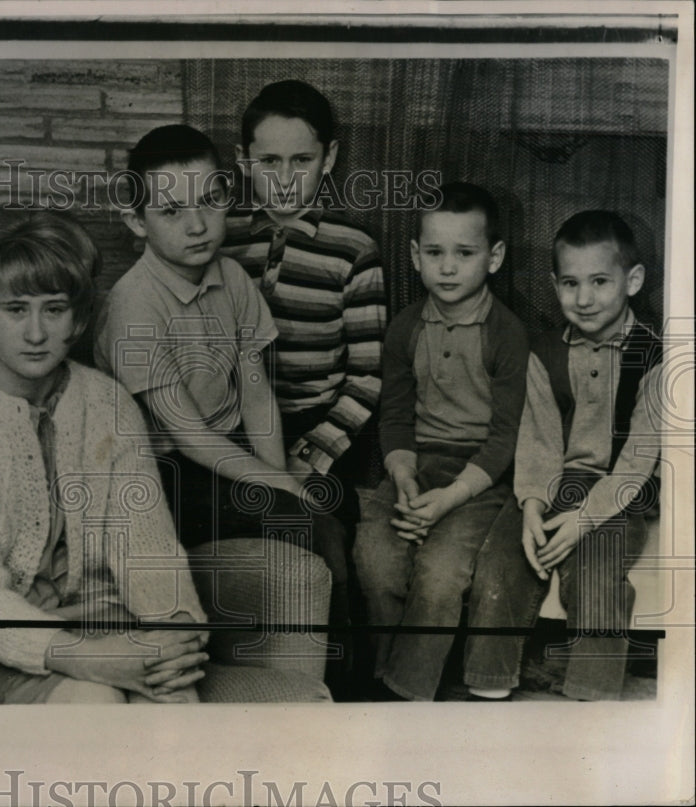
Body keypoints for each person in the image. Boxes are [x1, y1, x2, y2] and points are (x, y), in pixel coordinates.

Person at [0, 208, 209, 705]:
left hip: (111, 629)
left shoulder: (106, 401)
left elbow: (148, 550)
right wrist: (91, 659)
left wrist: (175, 632)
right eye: (15, 309)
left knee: (176, 705)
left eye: (53, 309)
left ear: (76, 316)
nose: (36, 333)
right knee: (94, 706)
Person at [92, 124, 350, 665]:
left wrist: (280, 480)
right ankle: (334, 678)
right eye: (171, 212)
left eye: (210, 201)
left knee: (325, 511)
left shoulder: (231, 276)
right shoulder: (132, 305)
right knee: (305, 517)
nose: (197, 225)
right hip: (166, 474)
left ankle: (335, 678)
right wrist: (279, 485)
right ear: (136, 221)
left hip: (224, 449)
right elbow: (186, 435)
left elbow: (257, 396)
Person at [353, 182, 529, 701]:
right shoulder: (406, 328)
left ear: (494, 258)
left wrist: (449, 499)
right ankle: (384, 678)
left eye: (465, 253)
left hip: (478, 479)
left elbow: (504, 438)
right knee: (376, 560)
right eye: (434, 253)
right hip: (413, 467)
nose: (447, 267)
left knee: (439, 574)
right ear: (415, 256)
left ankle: (407, 694)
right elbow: (396, 415)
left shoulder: (506, 333)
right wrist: (403, 476)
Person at [505, 210, 662, 700]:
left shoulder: (653, 357)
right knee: (508, 556)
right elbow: (539, 442)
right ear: (554, 285)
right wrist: (532, 505)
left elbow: (637, 461)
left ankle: (591, 699)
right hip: (559, 483)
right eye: (570, 283)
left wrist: (582, 521)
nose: (584, 298)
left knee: (595, 571)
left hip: (622, 494)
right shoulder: (546, 352)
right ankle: (492, 682)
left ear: (632, 280)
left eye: (600, 281)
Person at [220, 79, 386, 527]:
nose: (285, 178)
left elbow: (368, 376)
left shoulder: (353, 249)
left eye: (302, 161)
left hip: (317, 432)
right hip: (230, 429)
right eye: (269, 161)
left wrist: (311, 455)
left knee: (312, 527)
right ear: (243, 161)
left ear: (329, 158)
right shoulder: (220, 238)